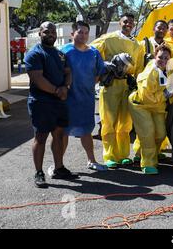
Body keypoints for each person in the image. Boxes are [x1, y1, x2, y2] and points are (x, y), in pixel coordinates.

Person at [24, 21, 77, 188]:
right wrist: (57, 90)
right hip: (41, 103)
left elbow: (68, 72)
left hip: (59, 102)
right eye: (47, 31)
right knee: (40, 137)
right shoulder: (34, 54)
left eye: (53, 32)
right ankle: (39, 172)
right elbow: (37, 79)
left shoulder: (60, 54)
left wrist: (66, 87)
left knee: (59, 135)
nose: (51, 34)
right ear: (40, 33)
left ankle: (59, 168)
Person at [90, 13, 144, 168]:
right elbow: (92, 51)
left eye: (131, 22)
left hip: (127, 86)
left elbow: (139, 68)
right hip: (110, 85)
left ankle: (122, 154)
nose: (128, 24)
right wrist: (104, 65)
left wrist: (137, 83)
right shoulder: (108, 38)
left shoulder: (138, 45)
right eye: (125, 21)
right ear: (120, 23)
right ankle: (110, 155)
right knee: (109, 120)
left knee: (125, 122)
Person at [60, 21, 107, 171]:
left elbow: (99, 72)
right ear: (72, 34)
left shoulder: (94, 52)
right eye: (80, 32)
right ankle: (58, 164)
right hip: (67, 100)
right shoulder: (63, 51)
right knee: (63, 132)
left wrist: (88, 85)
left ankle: (91, 160)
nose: (83, 35)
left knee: (87, 131)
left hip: (86, 100)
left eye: (86, 33)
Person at [128, 45, 172, 174]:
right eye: (160, 57)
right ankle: (148, 162)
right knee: (147, 133)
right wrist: (165, 95)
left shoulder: (167, 70)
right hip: (140, 105)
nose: (163, 60)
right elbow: (146, 97)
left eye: (166, 57)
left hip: (156, 106)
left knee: (160, 133)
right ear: (155, 56)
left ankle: (141, 152)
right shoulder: (150, 73)